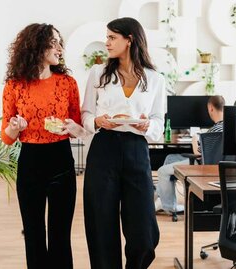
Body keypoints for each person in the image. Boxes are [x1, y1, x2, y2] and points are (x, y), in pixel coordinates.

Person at [81, 17, 165, 269]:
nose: (106, 42)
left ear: (129, 40)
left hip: (137, 151)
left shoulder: (155, 79)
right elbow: (85, 114)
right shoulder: (98, 73)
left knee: (143, 232)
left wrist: (147, 125)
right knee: (101, 223)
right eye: (106, 37)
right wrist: (98, 121)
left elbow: (159, 120)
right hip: (104, 149)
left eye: (111, 37)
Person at [1, 23, 84, 269]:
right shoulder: (14, 85)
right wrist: (15, 127)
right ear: (36, 46)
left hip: (61, 159)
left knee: (60, 234)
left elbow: (77, 127)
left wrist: (70, 127)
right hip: (30, 162)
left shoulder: (68, 83)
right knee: (34, 233)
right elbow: (6, 137)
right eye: (54, 42)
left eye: (60, 43)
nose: (60, 48)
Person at [155, 95, 225, 213]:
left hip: (202, 166)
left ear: (211, 108)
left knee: (162, 171)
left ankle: (170, 207)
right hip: (217, 165)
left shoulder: (213, 131)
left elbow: (198, 153)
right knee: (169, 158)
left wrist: (194, 139)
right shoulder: (226, 127)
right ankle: (163, 198)